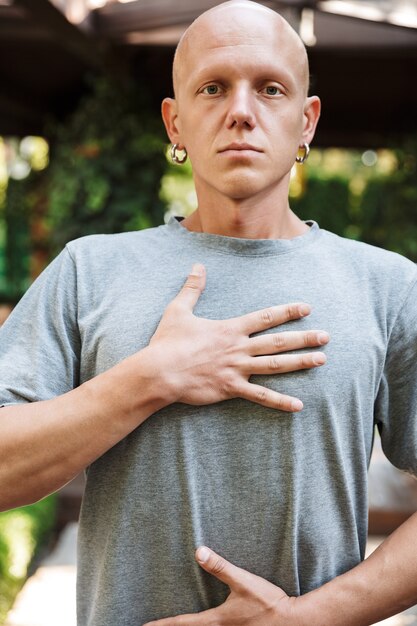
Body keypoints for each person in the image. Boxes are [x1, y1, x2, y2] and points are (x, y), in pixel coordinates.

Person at [1, 0, 417, 624]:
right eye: (213, 88)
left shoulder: (389, 287)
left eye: (270, 89)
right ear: (176, 123)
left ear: (307, 121)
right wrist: (150, 378)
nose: (241, 112)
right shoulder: (89, 270)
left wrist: (307, 619)